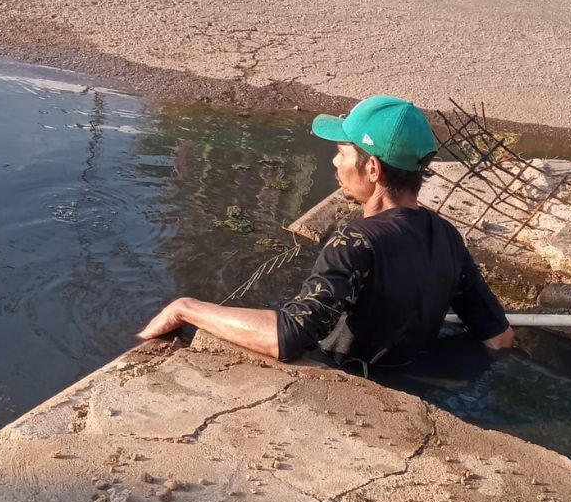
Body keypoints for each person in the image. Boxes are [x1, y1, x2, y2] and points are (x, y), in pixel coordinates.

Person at [137, 95, 514, 366]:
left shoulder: (356, 242)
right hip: (407, 374)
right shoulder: (447, 236)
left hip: (353, 380)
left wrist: (186, 308)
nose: (335, 162)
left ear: (373, 170)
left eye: (343, 152)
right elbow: (499, 338)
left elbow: (291, 336)